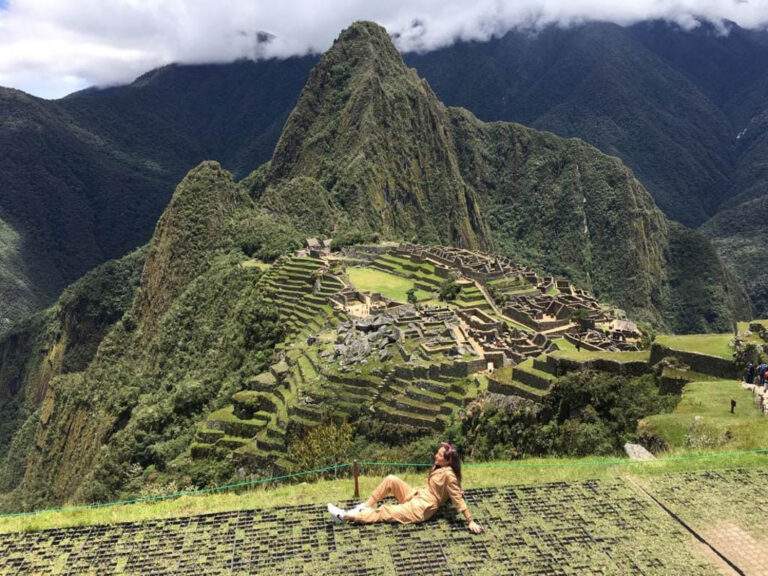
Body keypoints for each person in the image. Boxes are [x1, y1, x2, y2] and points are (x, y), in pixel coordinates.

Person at [327, 442, 483, 534]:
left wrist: (470, 521)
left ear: (447, 460)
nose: (436, 455)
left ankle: (345, 516)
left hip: (421, 507)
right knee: (391, 479)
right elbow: (453, 491)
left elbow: (457, 497)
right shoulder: (439, 467)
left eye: (439, 454)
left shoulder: (449, 475)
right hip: (416, 494)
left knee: (385, 511)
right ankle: (366, 506)